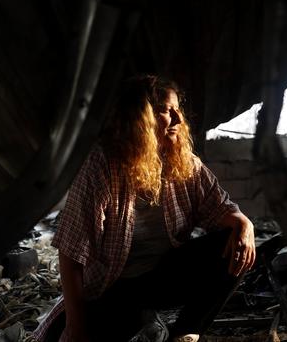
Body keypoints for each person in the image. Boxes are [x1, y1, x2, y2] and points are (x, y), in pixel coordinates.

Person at [33, 75, 256, 342]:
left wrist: (244, 224)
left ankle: (186, 332)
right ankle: (143, 322)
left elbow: (222, 209)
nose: (178, 120)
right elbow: (71, 256)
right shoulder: (102, 166)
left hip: (163, 276)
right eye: (165, 110)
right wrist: (76, 327)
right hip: (115, 288)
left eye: (177, 110)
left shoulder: (184, 163)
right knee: (65, 337)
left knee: (234, 246)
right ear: (140, 117)